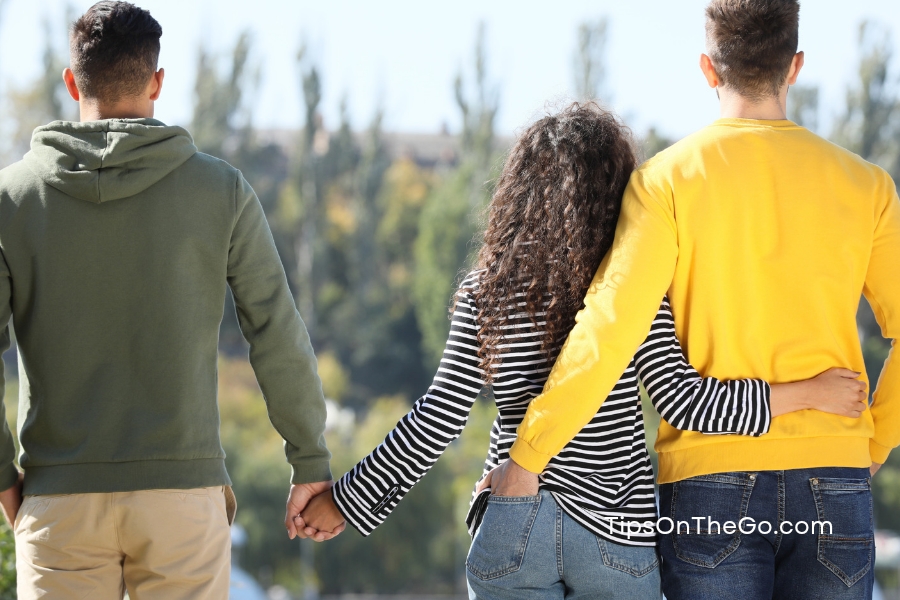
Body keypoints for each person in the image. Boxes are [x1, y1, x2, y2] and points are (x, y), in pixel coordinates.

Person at [298, 102, 866, 600]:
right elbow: (685, 402)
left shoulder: (486, 291)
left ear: (517, 194)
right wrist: (806, 394)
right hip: (615, 534)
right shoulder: (630, 291)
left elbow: (439, 416)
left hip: (513, 514)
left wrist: (346, 500)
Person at [482, 1, 900, 599]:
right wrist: (875, 442)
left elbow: (610, 328)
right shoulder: (868, 187)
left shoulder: (665, 182)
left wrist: (529, 456)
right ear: (795, 66)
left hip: (710, 486)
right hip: (835, 476)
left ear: (708, 68)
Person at [0, 2, 337, 598]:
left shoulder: (13, 199)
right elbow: (275, 330)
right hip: (182, 500)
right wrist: (308, 459)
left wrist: (4, 476)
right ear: (157, 82)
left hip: (60, 501)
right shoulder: (221, 190)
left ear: (73, 82)